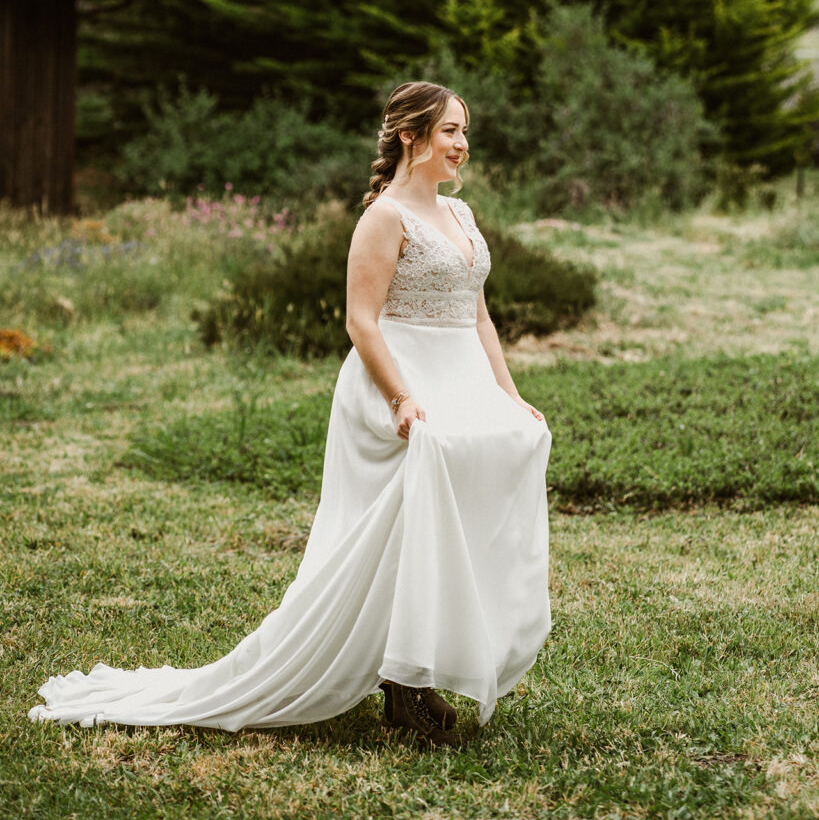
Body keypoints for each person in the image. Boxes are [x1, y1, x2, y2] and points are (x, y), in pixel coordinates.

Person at [28, 81, 552, 749]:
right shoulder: (384, 218)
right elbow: (360, 321)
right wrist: (401, 399)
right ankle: (403, 682)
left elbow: (477, 316)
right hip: (398, 380)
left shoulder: (464, 215)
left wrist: (507, 396)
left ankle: (432, 656)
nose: (463, 144)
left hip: (461, 379)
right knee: (405, 519)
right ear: (409, 137)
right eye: (450, 130)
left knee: (497, 468)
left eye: (464, 131)